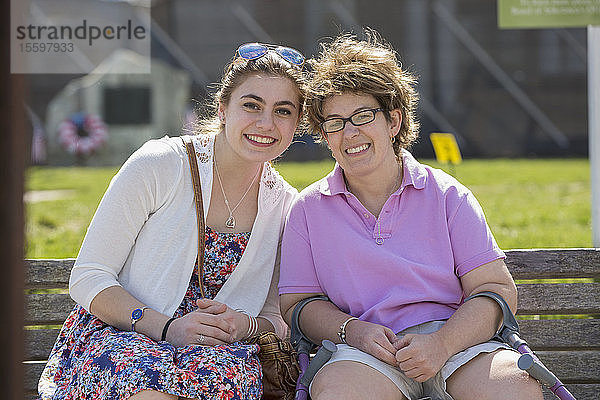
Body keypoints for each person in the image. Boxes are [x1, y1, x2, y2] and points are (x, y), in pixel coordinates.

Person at [278, 31, 543, 400]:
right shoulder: (307, 210)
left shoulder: (448, 195)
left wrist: (441, 345)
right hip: (364, 354)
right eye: (334, 122)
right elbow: (298, 306)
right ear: (324, 134)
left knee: (515, 390)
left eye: (363, 116)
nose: (349, 132)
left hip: (457, 345)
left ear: (394, 121)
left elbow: (494, 289)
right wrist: (354, 332)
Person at [38, 42, 306, 400]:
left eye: (283, 111)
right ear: (224, 108)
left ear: (297, 123)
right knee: (144, 383)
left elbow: (277, 315)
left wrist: (244, 325)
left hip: (219, 354)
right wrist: (167, 329)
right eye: (251, 105)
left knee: (222, 379)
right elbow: (89, 276)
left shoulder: (288, 206)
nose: (265, 123)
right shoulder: (161, 164)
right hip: (125, 333)